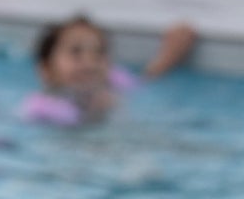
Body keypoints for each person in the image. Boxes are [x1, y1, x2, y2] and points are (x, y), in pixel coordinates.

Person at [21, 14, 199, 125]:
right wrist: (95, 113)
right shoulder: (41, 107)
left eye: (99, 52)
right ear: (46, 69)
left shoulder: (111, 81)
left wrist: (170, 54)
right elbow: (72, 129)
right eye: (76, 52)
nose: (90, 62)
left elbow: (144, 81)